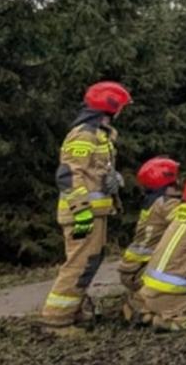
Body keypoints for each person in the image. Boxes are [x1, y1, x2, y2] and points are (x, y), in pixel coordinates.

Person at [40, 81, 131, 330]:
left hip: (93, 213)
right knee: (79, 264)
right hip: (82, 214)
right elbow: (69, 175)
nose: (122, 112)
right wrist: (81, 213)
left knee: (89, 262)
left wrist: (110, 179)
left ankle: (73, 312)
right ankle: (56, 320)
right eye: (121, 107)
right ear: (111, 107)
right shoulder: (84, 135)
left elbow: (91, 170)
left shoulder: (100, 135)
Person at [136, 174, 186, 331]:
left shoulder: (181, 211)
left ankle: (147, 311)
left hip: (149, 286)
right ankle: (162, 322)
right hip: (169, 291)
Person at [118, 157, 183, 324]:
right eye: (176, 178)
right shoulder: (167, 204)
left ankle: (140, 298)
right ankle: (140, 304)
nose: (179, 182)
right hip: (142, 271)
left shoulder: (152, 201)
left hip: (132, 269)